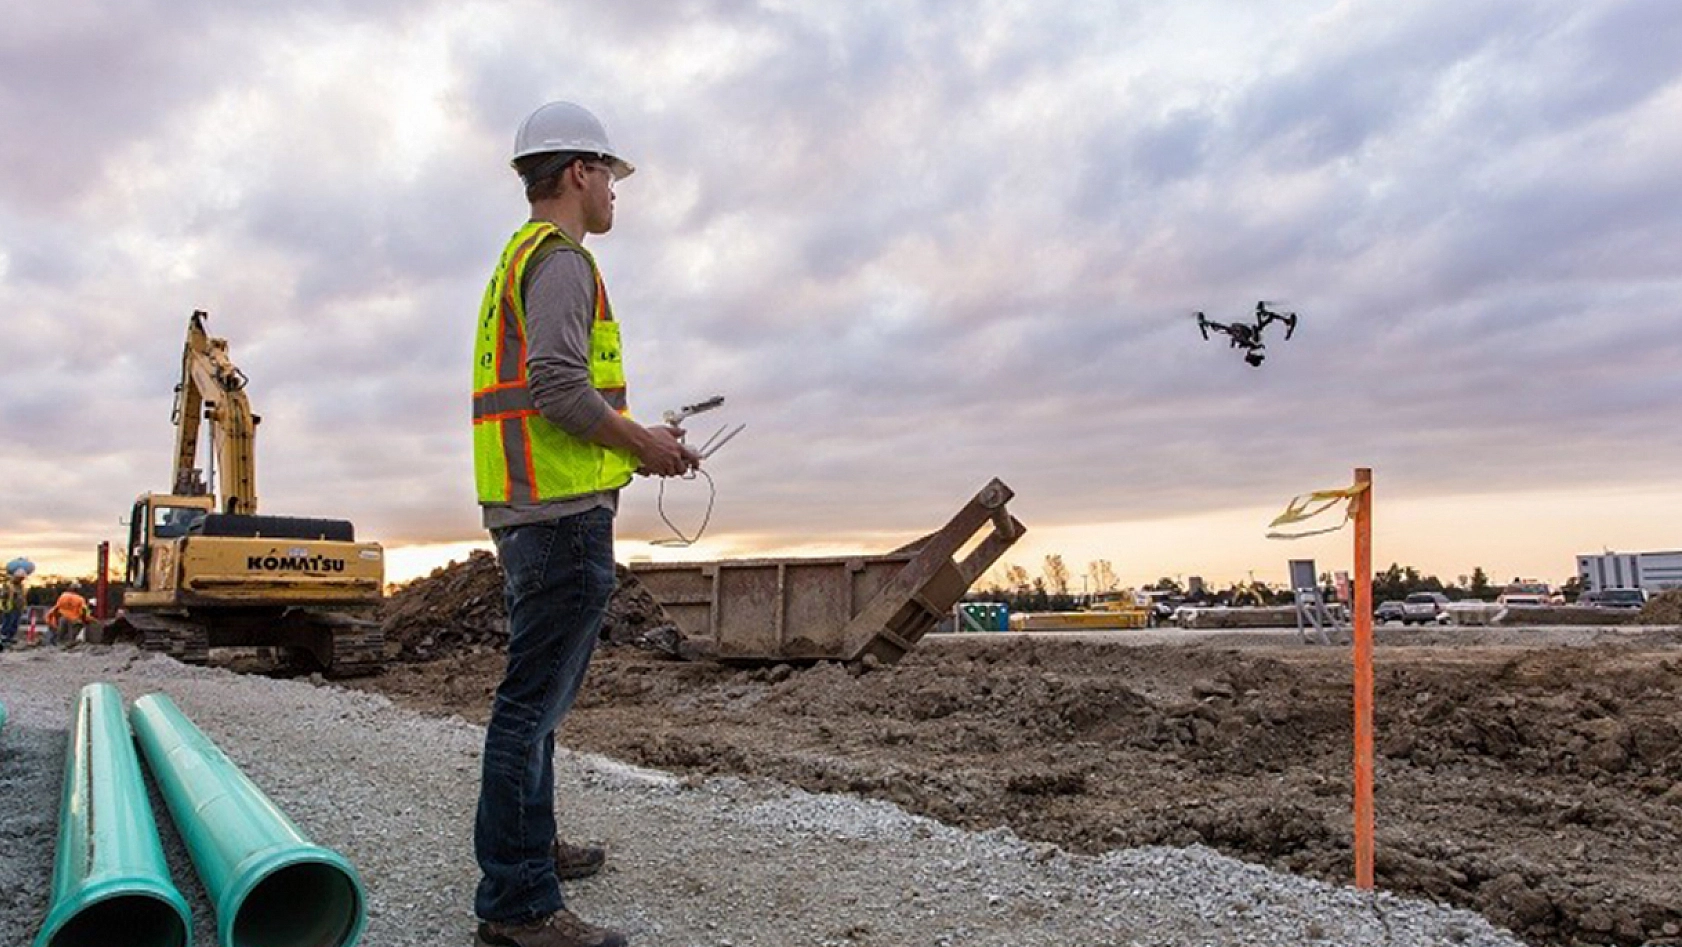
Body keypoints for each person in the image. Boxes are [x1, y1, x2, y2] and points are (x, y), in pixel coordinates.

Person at [469, 101, 697, 947]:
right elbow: (560, 389)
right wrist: (646, 443)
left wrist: (637, 448)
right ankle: (518, 903)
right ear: (577, 173)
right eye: (610, 175)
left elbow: (556, 396)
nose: (615, 193)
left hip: (534, 503)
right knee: (531, 704)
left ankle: (532, 849)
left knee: (543, 699)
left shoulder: (518, 257)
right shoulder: (562, 261)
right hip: (559, 516)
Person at [0, 572, 23, 649]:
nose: (21, 579)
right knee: (8, 622)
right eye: (19, 578)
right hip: (9, 607)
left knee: (15, 623)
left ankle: (10, 637)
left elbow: (22, 597)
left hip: (18, 608)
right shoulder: (8, 585)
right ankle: (4, 638)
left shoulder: (21, 586)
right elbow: (3, 595)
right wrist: (9, 594)